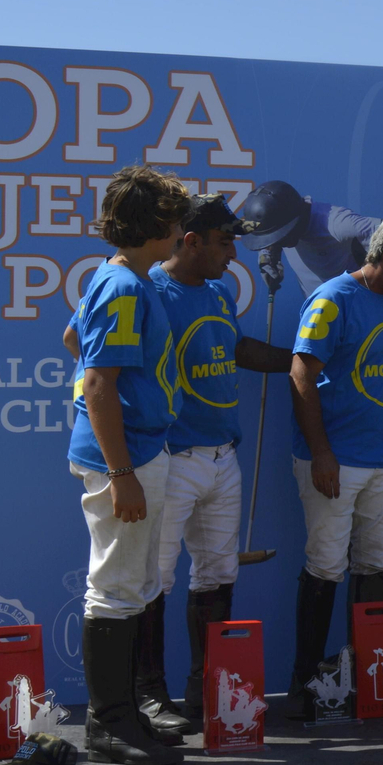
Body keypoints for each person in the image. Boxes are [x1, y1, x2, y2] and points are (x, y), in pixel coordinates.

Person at [136, 195, 292, 732]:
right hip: (171, 458)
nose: (233, 255)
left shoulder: (220, 293)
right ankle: (148, 696)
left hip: (224, 457)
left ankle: (207, 689)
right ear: (191, 240)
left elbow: (237, 348)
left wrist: (300, 361)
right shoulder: (149, 290)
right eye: (225, 243)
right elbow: (87, 348)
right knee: (155, 578)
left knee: (219, 572)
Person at [285, 213, 383, 720]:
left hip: (381, 462)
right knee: (325, 567)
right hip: (334, 462)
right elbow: (300, 374)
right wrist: (321, 452)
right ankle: (304, 686)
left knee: (376, 566)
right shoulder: (332, 298)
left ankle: (373, 681)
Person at [66, 165, 192, 765]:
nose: (182, 233)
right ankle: (109, 723)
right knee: (115, 587)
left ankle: (123, 714)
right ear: (158, 227)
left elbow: (74, 340)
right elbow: (97, 382)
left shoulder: (120, 277)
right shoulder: (123, 286)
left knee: (136, 585)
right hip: (127, 458)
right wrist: (120, 474)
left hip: (140, 450)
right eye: (176, 223)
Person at [238, 180, 378, 298]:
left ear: (293, 221)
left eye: (278, 236)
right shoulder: (284, 223)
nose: (279, 242)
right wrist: (267, 252)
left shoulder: (338, 224)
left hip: (356, 310)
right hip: (316, 313)